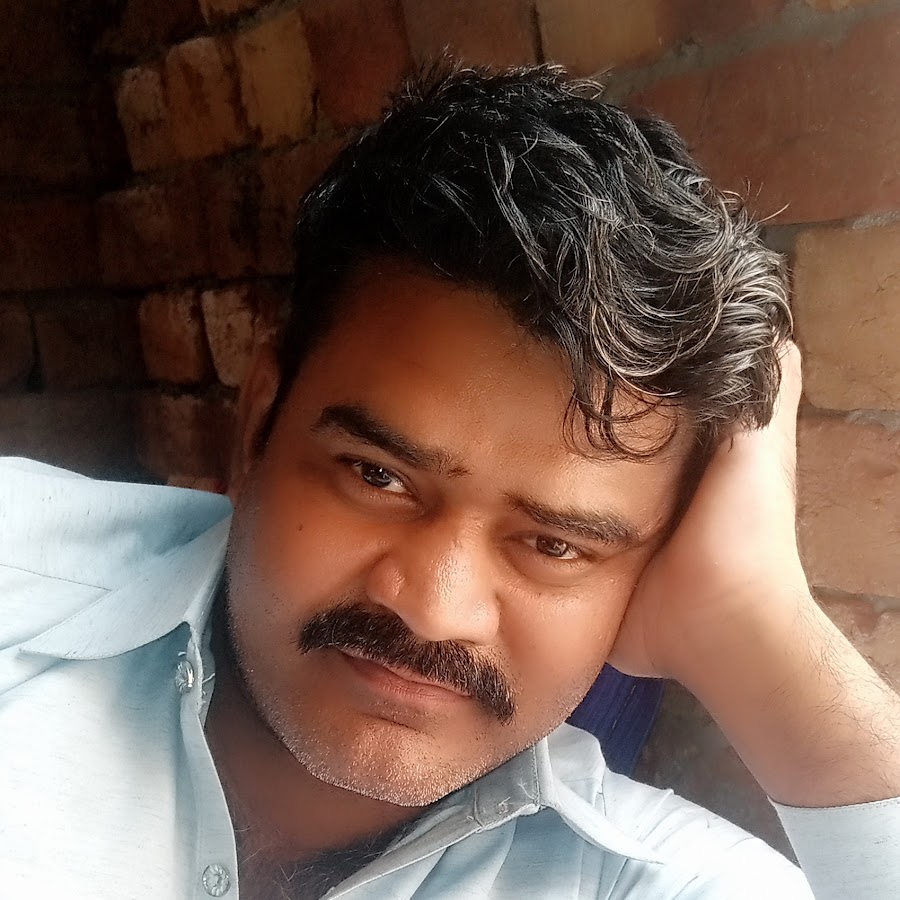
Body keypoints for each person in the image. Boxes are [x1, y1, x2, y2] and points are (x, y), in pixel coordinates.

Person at [1, 64, 898, 900]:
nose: (433, 609)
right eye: (378, 476)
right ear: (259, 421)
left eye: (554, 544)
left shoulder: (651, 881)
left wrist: (759, 623)